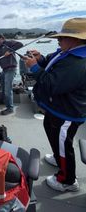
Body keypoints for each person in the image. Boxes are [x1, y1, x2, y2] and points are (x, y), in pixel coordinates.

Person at [24, 17, 86, 192]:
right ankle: (59, 159)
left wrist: (35, 68)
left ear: (78, 39)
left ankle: (67, 181)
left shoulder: (78, 63)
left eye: (62, 37)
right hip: (55, 110)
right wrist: (40, 58)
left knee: (63, 144)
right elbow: (51, 61)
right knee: (53, 134)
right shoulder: (67, 52)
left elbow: (51, 85)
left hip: (67, 114)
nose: (58, 40)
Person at [0, 33, 23, 115]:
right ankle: (6, 103)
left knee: (8, 90)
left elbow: (20, 44)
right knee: (3, 88)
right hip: (4, 70)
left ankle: (10, 108)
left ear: (2, 38)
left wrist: (10, 51)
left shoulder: (8, 43)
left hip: (11, 69)